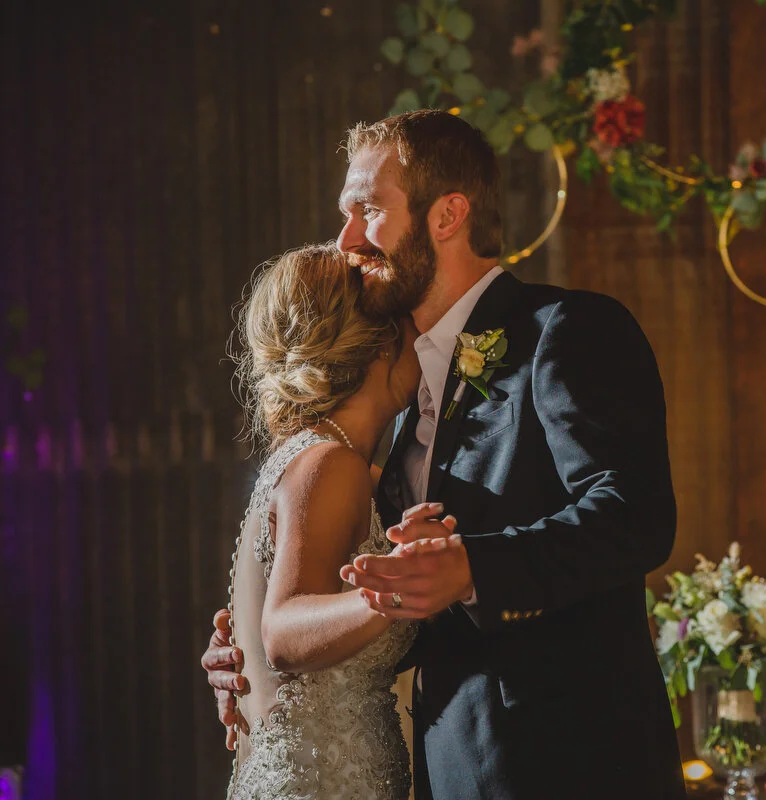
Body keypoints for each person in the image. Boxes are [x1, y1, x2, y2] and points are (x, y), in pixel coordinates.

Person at [203, 109, 686, 800]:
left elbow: (635, 516)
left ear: (448, 214)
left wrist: (472, 570)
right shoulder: (389, 401)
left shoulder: (567, 332)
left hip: (574, 766)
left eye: (368, 210)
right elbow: (362, 593)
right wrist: (252, 660)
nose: (346, 240)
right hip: (446, 770)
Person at [220, 241, 425, 798]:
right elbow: (283, 632)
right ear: (383, 342)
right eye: (412, 324)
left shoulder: (324, 458)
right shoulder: (329, 464)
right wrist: (405, 587)